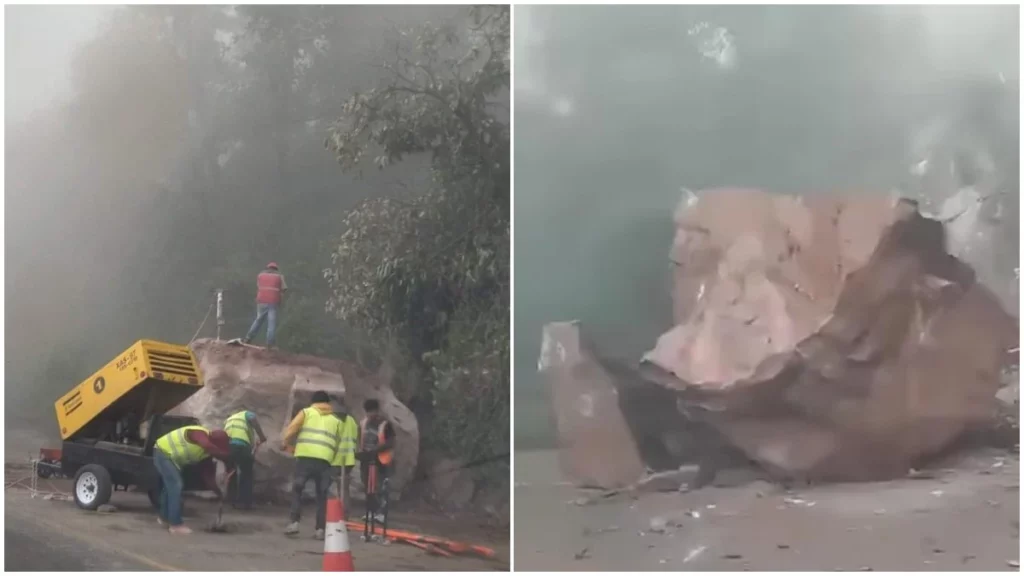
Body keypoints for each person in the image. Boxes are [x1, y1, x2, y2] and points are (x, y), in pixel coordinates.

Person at [281, 390, 343, 539]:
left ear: (313, 402)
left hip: (305, 458)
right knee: (322, 495)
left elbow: (292, 429)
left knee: (298, 489)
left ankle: (294, 523)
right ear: (328, 404)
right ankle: (320, 530)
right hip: (325, 461)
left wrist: (285, 443)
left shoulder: (306, 412)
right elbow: (338, 444)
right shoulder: (336, 421)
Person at [153, 426, 233, 535]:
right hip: (162, 452)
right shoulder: (199, 433)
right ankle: (175, 525)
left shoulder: (206, 454)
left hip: (173, 459)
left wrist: (219, 492)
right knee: (176, 484)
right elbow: (206, 445)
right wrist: (225, 458)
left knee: (170, 486)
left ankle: (164, 518)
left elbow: (208, 477)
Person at [357, 399, 395, 525]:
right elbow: (359, 439)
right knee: (368, 487)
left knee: (380, 488)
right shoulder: (363, 423)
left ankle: (381, 514)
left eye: (372, 412)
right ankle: (371, 511)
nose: (370, 415)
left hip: (381, 461)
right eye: (368, 412)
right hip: (366, 460)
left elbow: (391, 442)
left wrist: (376, 449)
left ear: (377, 411)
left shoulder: (385, 424)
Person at [223, 409, 267, 509]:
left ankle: (231, 501)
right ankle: (245, 502)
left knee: (231, 473)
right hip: (242, 446)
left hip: (228, 448)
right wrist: (262, 436)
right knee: (247, 474)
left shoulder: (228, 420)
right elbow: (253, 419)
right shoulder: (246, 414)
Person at [242, 262, 288, 348]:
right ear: (276, 269)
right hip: (273, 302)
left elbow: (259, 287)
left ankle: (248, 338)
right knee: (271, 323)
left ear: (267, 268)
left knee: (258, 320)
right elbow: (284, 289)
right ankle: (269, 344)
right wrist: (281, 301)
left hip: (261, 301)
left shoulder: (260, 275)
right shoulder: (279, 276)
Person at [329, 400, 359, 520]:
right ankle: (345, 513)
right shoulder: (351, 420)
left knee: (335, 486)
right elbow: (356, 437)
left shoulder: (333, 421)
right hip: (349, 459)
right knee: (344, 487)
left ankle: (338, 513)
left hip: (336, 459)